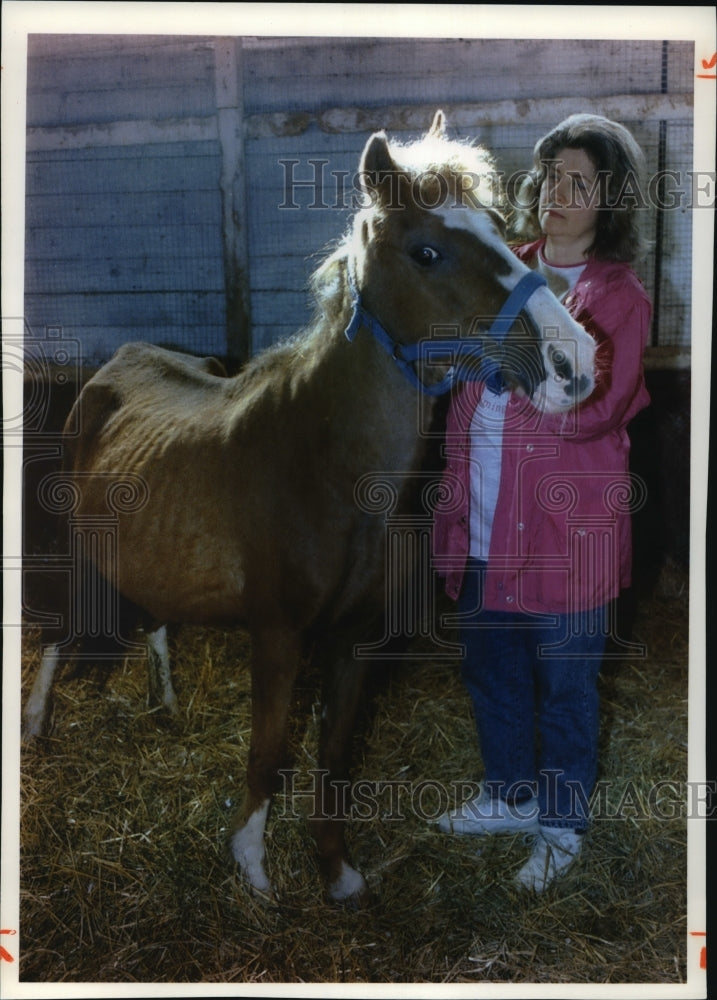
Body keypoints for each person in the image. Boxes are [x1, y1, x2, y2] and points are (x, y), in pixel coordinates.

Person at [432, 114, 652, 892]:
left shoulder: (617, 296)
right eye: (550, 176)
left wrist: (516, 370)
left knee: (563, 682)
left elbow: (599, 403)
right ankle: (510, 794)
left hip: (566, 528)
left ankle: (559, 824)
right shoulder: (505, 268)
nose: (558, 194)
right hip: (484, 514)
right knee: (489, 667)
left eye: (578, 183)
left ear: (608, 199)